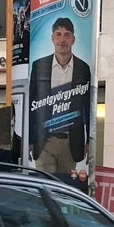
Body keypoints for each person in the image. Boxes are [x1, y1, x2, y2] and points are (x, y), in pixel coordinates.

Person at [28, 17, 92, 180]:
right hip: (44, 141)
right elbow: (31, 105)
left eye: (66, 35)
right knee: (46, 187)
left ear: (73, 39)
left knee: (65, 191)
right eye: (58, 34)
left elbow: (88, 107)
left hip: (71, 143)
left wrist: (89, 141)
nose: (62, 40)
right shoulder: (38, 65)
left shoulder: (83, 68)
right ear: (52, 38)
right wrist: (29, 139)